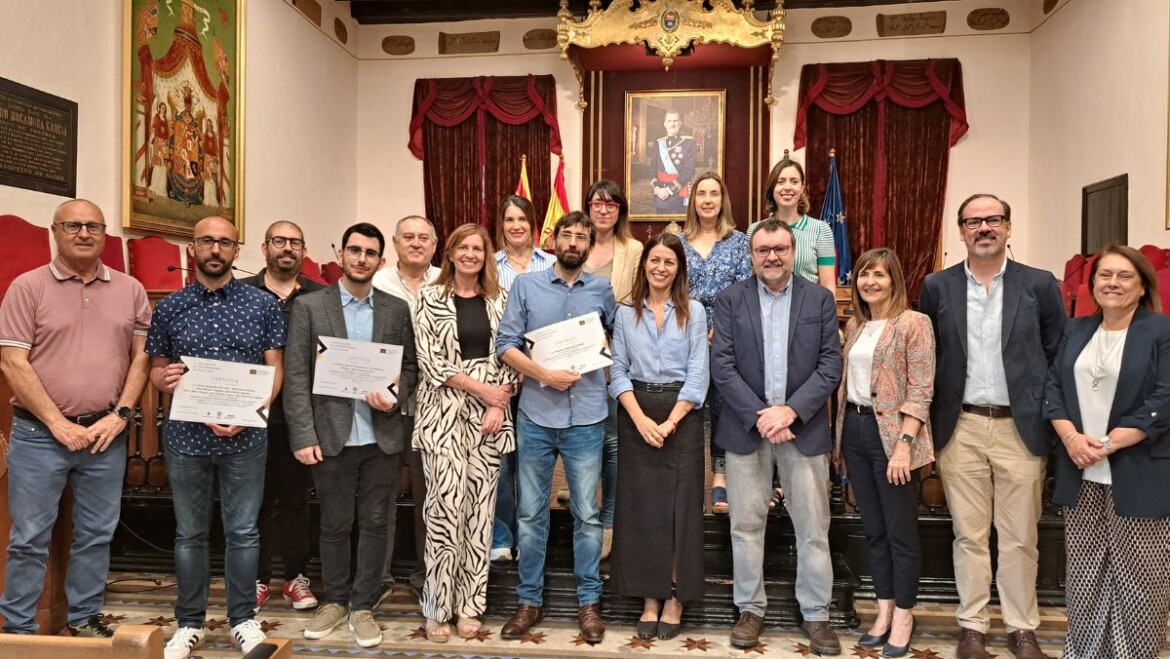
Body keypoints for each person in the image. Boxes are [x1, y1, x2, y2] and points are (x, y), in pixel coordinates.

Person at [918, 194, 1064, 659]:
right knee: (969, 535)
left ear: (1008, 227)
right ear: (960, 230)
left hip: (1019, 428)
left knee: (1021, 536)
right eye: (973, 221)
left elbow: (1057, 353)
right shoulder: (937, 286)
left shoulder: (1039, 285)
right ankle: (973, 627)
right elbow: (929, 355)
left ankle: (1022, 628)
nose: (984, 227)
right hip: (960, 427)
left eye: (993, 220)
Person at [0, 200, 151, 636]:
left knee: (96, 534)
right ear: (55, 232)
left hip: (106, 434)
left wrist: (120, 416)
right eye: (73, 226)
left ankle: (83, 619)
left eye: (93, 226)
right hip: (38, 434)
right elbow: (12, 363)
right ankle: (18, 630)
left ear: (104, 234)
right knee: (28, 538)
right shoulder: (26, 288)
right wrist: (57, 423)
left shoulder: (131, 290)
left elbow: (142, 358)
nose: (84, 233)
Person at [147, 217, 285, 659]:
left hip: (245, 436)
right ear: (193, 247)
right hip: (186, 437)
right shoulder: (170, 307)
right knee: (189, 534)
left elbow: (274, 367)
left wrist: (253, 411)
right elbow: (155, 367)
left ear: (235, 250)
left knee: (243, 532)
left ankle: (242, 619)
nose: (215, 249)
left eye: (225, 242)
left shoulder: (261, 305)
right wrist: (163, 379)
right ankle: (189, 623)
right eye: (207, 240)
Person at [283, 223, 417, 649]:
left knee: (377, 523)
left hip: (382, 437)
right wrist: (303, 435)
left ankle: (363, 604)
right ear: (340, 253)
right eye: (354, 250)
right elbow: (297, 377)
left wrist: (393, 396)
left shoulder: (396, 310)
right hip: (332, 435)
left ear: (382, 260)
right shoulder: (309, 306)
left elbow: (410, 369)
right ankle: (335, 598)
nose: (362, 258)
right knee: (335, 524)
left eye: (371, 253)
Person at [712, 218, 842, 655]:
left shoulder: (820, 299)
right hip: (746, 430)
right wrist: (761, 415)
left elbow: (830, 365)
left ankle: (817, 615)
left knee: (813, 528)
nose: (772, 256)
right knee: (746, 526)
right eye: (763, 249)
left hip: (802, 430)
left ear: (793, 251)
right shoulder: (730, 300)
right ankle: (750, 609)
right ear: (752, 254)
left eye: (780, 249)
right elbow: (722, 366)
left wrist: (790, 411)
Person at [1044, 245, 1170, 659]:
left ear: (1141, 285)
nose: (1112, 283)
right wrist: (1072, 440)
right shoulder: (1076, 330)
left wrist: (1109, 444)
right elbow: (1052, 389)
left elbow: (1164, 398)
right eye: (1104, 275)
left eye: (1124, 276)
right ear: (1092, 283)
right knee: (1084, 575)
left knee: (1141, 579)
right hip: (1079, 469)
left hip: (1137, 469)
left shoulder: (1161, 331)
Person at [496, 211, 616, 644]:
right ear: (555, 239)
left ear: (588, 246)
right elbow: (504, 344)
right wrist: (542, 373)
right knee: (530, 515)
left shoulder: (602, 289)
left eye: (582, 237)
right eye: (567, 234)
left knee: (587, 516)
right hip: (537, 416)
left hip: (586, 416)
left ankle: (588, 603)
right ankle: (529, 601)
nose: (574, 242)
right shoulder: (526, 285)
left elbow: (615, 342)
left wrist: (600, 355)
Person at [414, 223, 518, 642]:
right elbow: (430, 361)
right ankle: (438, 606)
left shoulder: (501, 299)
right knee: (443, 513)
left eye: (478, 248)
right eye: (464, 247)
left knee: (479, 515)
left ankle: (471, 606)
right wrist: (484, 392)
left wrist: (499, 402)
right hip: (444, 416)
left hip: (490, 420)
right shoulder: (428, 297)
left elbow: (513, 355)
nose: (471, 254)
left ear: (486, 255)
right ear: (451, 253)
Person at [832, 248, 935, 658]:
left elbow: (922, 389)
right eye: (863, 275)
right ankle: (884, 610)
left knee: (900, 533)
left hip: (894, 438)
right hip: (855, 431)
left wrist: (903, 447)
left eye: (879, 275)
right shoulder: (856, 325)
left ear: (894, 280)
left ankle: (905, 614)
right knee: (873, 530)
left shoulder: (914, 323)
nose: (870, 282)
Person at [609, 233, 708, 641]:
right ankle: (650, 597)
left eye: (669, 261)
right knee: (643, 511)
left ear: (678, 268)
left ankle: (675, 597)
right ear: (644, 265)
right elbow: (616, 370)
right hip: (636, 412)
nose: (661, 268)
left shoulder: (695, 311)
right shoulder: (624, 312)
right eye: (655, 261)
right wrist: (640, 419)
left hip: (681, 414)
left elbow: (699, 372)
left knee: (680, 511)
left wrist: (668, 423)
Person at [239, 221, 324, 613]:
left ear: (303, 250)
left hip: (302, 417)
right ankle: (255, 579)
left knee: (294, 499)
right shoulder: (241, 294)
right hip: (248, 414)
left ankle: (295, 576)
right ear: (264, 247)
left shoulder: (323, 296)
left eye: (295, 242)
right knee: (252, 500)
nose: (287, 248)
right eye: (279, 241)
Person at [371, 215, 440, 602]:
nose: (416, 243)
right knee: (382, 493)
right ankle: (378, 577)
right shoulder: (377, 283)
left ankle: (428, 573)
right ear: (395, 243)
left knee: (430, 495)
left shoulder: (448, 281)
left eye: (423, 238)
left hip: (434, 406)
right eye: (408, 237)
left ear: (434, 245)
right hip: (383, 405)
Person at [678, 171, 752, 514]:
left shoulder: (738, 242)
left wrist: (722, 326)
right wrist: (692, 327)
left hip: (728, 336)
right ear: (692, 201)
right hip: (683, 336)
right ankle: (686, 475)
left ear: (723, 200)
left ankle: (720, 477)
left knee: (724, 407)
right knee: (688, 404)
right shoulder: (678, 242)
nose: (707, 199)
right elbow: (671, 289)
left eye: (714, 193)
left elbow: (746, 291)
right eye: (701, 194)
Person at [581, 180, 643, 560]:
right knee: (581, 439)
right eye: (597, 204)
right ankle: (584, 512)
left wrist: (604, 347)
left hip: (611, 355)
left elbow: (632, 303)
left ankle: (609, 520)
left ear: (620, 210)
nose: (603, 210)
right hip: (570, 360)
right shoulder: (574, 244)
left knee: (613, 441)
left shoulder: (633, 249)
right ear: (587, 207)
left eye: (611, 204)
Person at [491, 196, 555, 565]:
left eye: (522, 218)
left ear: (533, 223)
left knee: (532, 462)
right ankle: (501, 535)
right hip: (500, 376)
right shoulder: (490, 266)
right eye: (508, 219)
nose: (516, 225)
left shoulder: (550, 263)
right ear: (501, 225)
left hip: (542, 377)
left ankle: (532, 541)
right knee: (501, 462)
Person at [749, 157, 836, 295]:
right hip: (765, 308)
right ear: (772, 188)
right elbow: (751, 280)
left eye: (794, 182)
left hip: (808, 308)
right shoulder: (755, 230)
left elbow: (828, 284)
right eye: (781, 182)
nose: (787, 187)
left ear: (802, 188)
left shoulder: (821, 230)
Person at [651, 110, 696, 215]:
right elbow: (652, 168)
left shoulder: (689, 143)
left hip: (679, 194)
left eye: (675, 120)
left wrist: (669, 191)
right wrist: (657, 188)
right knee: (660, 227)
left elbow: (688, 171)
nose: (672, 124)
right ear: (665, 124)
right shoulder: (659, 143)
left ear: (680, 123)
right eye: (669, 121)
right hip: (660, 193)